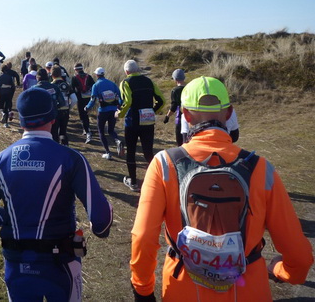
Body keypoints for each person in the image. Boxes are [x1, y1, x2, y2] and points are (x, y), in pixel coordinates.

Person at [130, 76, 313, 301]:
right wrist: (281, 271)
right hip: (249, 291)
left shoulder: (163, 164)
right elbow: (300, 257)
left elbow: (143, 236)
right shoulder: (261, 168)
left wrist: (143, 289)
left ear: (185, 115)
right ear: (228, 113)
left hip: (183, 289)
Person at [0, 87, 113, 301]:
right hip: (61, 262)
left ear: (21, 121)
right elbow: (101, 222)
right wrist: (101, 227)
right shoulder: (71, 159)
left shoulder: (1, 159)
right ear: (53, 118)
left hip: (16, 261)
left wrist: (11, 217)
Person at [118, 60, 165, 192]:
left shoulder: (125, 82)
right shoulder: (149, 81)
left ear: (126, 71)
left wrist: (120, 114)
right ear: (137, 69)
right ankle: (157, 180)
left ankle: (133, 182)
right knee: (148, 151)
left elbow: (128, 101)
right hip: (147, 121)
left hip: (132, 121)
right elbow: (162, 100)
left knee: (131, 151)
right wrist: (153, 111)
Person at [84, 67, 123, 160]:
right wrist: (119, 106)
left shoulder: (96, 85)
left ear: (97, 75)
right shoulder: (112, 84)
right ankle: (117, 141)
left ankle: (108, 152)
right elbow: (120, 96)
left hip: (103, 111)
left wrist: (87, 107)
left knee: (101, 131)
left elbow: (93, 99)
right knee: (111, 130)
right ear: (103, 74)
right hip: (113, 110)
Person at [36, 68, 66, 142]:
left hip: (40, 118)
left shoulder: (34, 89)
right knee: (54, 137)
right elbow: (62, 103)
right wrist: (55, 107)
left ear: (37, 77)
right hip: (53, 116)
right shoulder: (55, 87)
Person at [71, 63, 95, 144]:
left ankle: (87, 131)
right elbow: (93, 86)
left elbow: (72, 88)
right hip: (88, 98)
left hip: (79, 98)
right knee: (86, 114)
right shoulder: (88, 76)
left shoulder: (74, 78)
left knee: (82, 115)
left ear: (76, 69)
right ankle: (87, 128)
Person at [51, 65, 74, 146]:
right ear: (61, 74)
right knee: (63, 132)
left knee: (54, 132)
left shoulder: (51, 85)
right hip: (65, 110)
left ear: (52, 74)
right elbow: (74, 99)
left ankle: (55, 148)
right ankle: (65, 147)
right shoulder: (67, 85)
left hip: (55, 111)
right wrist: (69, 107)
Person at [164, 69, 186, 146]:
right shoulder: (189, 88)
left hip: (180, 117)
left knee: (180, 141)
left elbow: (174, 106)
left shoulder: (175, 90)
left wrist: (167, 116)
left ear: (175, 79)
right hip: (191, 117)